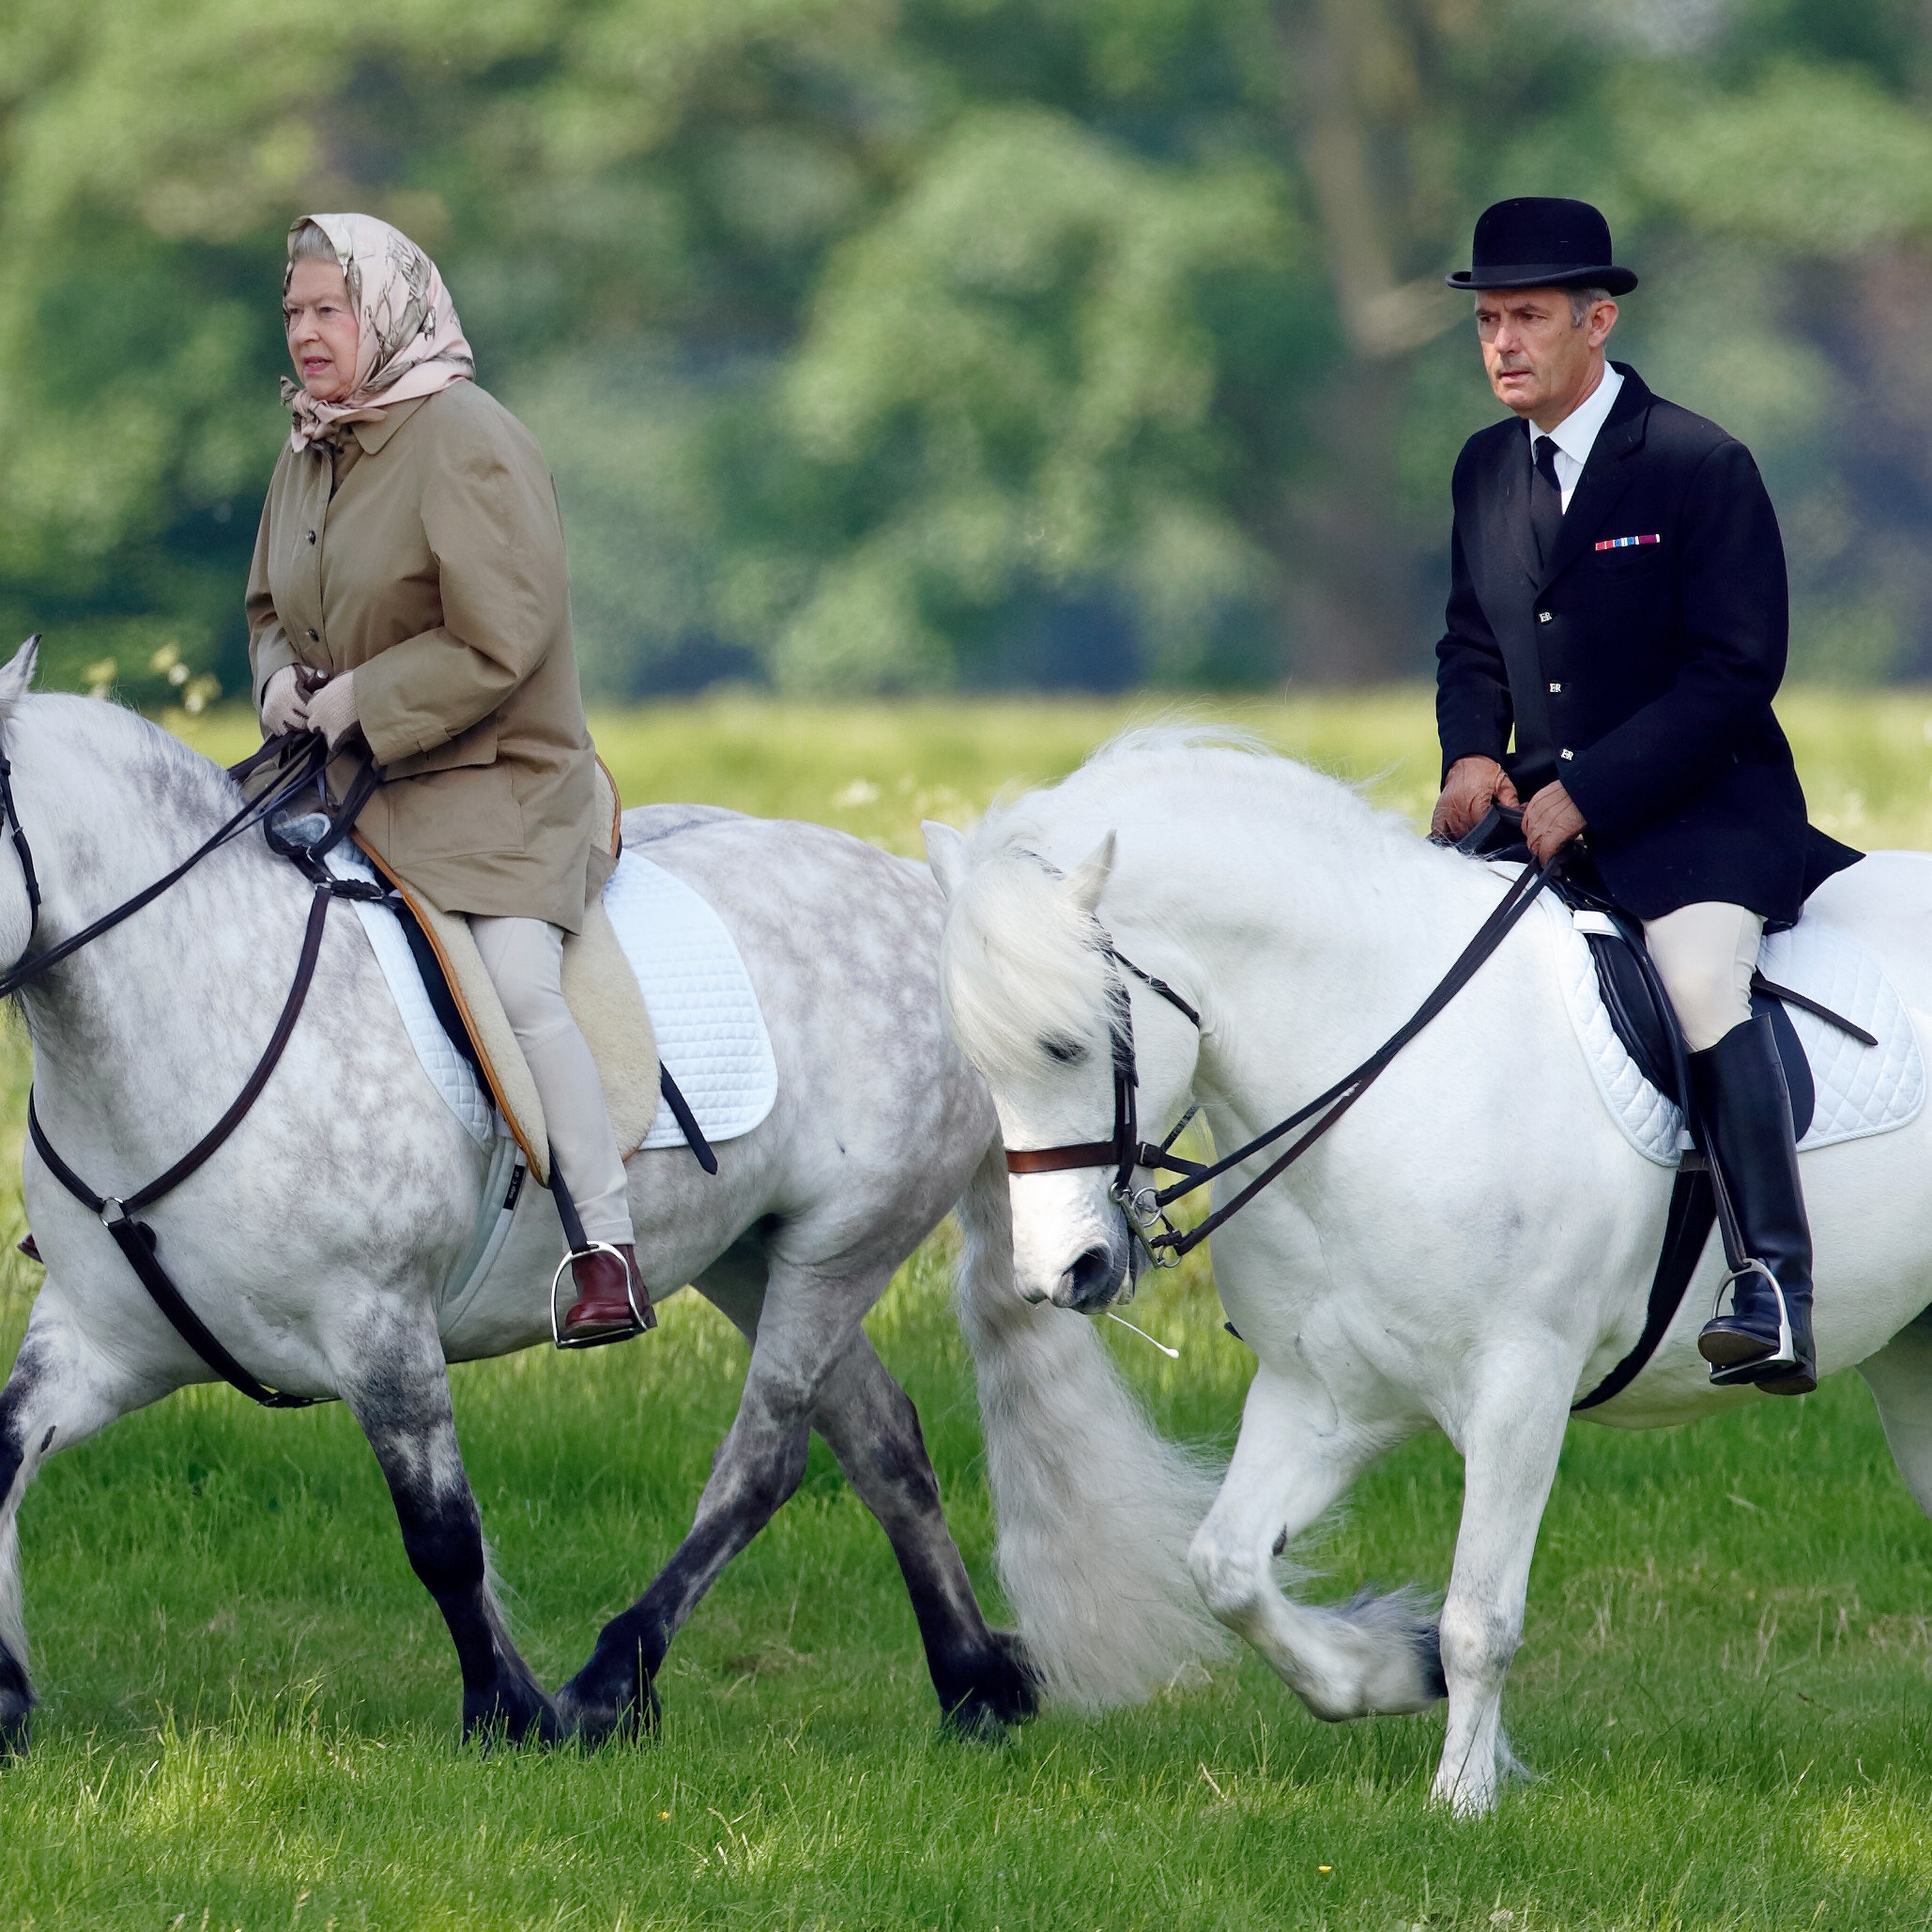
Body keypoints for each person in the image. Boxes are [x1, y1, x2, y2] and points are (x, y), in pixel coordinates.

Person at [1430, 196, 1860, 1396]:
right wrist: (1474, 755)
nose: (1503, 343)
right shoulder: (1481, 470)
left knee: (1701, 983)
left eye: (1528, 318)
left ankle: (1773, 1282)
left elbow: (1737, 672)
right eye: (1488, 321)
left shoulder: (1697, 463)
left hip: (1703, 818)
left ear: (1598, 320)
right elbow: (1472, 643)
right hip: (1542, 813)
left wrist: (1593, 789)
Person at [247, 211, 651, 1345]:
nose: (308, 333)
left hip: (493, 783)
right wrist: (281, 683)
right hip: (336, 778)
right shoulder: (309, 443)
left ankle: (604, 1246)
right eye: (294, 313)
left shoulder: (467, 434)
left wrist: (362, 699)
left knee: (521, 984)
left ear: (389, 308)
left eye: (331, 309)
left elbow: (501, 635)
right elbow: (270, 611)